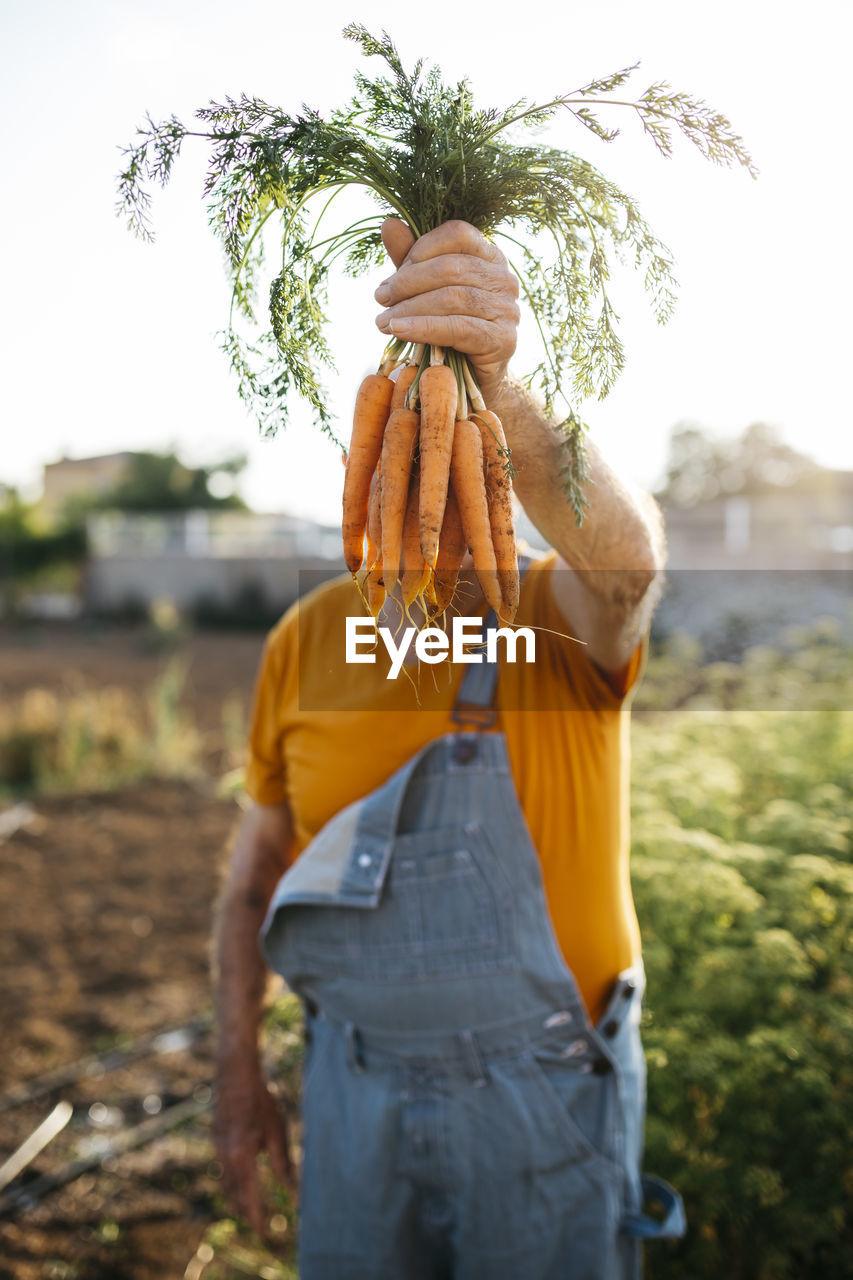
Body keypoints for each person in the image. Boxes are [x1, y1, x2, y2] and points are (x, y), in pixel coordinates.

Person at [212, 217, 686, 1278]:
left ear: (497, 478)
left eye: (457, 464)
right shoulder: (309, 637)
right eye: (403, 465)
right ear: (374, 478)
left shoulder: (553, 614)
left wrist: (495, 387)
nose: (427, 497)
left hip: (543, 1102)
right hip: (350, 1089)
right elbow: (253, 880)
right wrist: (238, 1071)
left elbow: (629, 569)